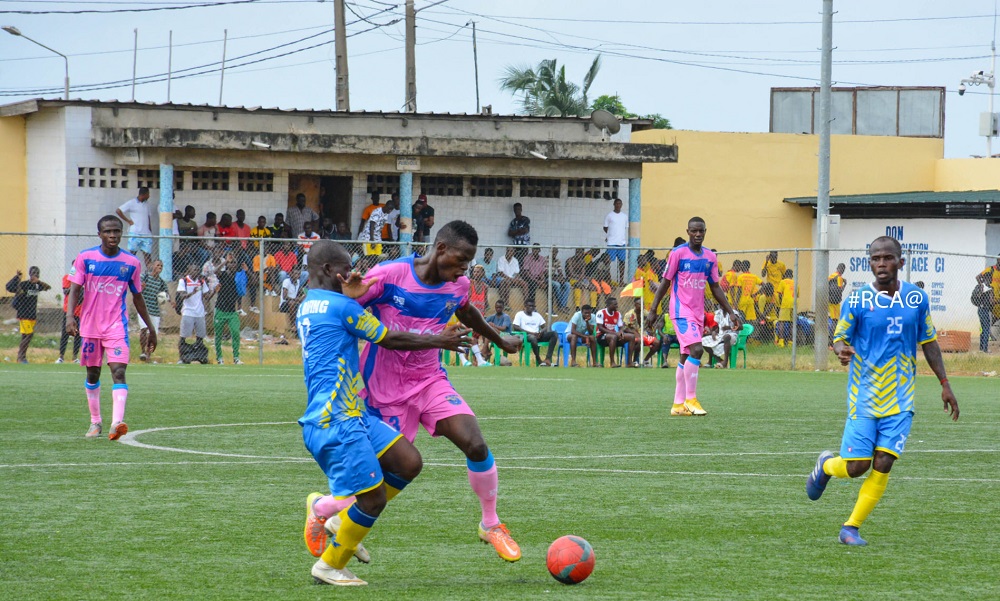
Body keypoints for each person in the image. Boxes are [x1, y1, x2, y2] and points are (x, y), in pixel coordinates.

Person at [337, 220, 523, 562]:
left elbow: (466, 312)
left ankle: (491, 523)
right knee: (386, 473)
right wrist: (351, 292)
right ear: (441, 249)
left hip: (429, 380)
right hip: (385, 387)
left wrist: (500, 340)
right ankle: (326, 510)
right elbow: (348, 308)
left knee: (476, 444)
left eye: (467, 266)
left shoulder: (458, 285)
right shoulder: (390, 274)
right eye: (459, 262)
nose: (462, 272)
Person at [297, 239, 472, 586]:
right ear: (329, 271)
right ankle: (330, 565)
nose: (353, 276)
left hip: (351, 413)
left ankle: (329, 514)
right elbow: (389, 338)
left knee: (408, 462)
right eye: (346, 270)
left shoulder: (311, 303)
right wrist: (440, 340)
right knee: (373, 498)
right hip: (336, 421)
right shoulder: (339, 307)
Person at [805, 236, 959, 547]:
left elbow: (928, 342)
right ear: (869, 263)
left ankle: (851, 527)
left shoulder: (916, 299)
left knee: (884, 462)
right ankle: (826, 466)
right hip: (864, 395)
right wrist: (840, 349)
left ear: (901, 262)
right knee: (857, 467)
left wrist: (944, 383)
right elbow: (839, 336)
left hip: (902, 398)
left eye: (888, 258)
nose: (881, 263)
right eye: (875, 258)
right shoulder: (858, 300)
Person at [66, 215, 156, 440]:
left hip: (117, 326)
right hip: (89, 326)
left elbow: (138, 297)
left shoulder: (131, 263)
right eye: (108, 231)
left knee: (119, 371)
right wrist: (70, 318)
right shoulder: (86, 258)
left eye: (117, 231)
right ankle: (95, 422)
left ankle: (116, 424)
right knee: (93, 374)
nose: (113, 235)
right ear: (100, 234)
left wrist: (151, 327)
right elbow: (75, 290)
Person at [648, 216, 739, 416]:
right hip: (681, 311)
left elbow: (715, 287)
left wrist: (730, 312)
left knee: (686, 355)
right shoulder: (678, 254)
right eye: (694, 231)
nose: (698, 234)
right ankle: (691, 398)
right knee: (697, 350)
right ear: (688, 232)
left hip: (697, 313)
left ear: (705, 231)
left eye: (701, 231)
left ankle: (678, 405)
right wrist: (653, 309)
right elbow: (665, 282)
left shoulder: (710, 257)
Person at [7, 267, 52, 364]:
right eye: (33, 273)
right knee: (29, 335)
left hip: (32, 315)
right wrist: (17, 277)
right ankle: (20, 357)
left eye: (37, 273)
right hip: (23, 314)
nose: (35, 275)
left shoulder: (37, 286)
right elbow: (9, 287)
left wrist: (38, 282)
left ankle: (22, 357)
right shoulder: (24, 285)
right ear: (30, 274)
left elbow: (48, 287)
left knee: (25, 336)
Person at [138, 259, 174, 362]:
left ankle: (148, 355)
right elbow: (137, 290)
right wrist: (141, 288)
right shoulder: (144, 277)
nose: (160, 267)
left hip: (154, 311)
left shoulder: (161, 282)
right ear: (152, 266)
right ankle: (143, 352)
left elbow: (166, 293)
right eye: (158, 265)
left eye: (161, 266)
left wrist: (171, 301)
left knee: (152, 333)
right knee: (143, 329)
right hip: (143, 309)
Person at [177, 262, 215, 359]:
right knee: (184, 337)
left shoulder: (201, 282)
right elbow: (182, 296)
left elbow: (207, 297)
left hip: (199, 313)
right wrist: (193, 292)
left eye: (198, 270)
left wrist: (215, 291)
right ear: (189, 271)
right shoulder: (184, 281)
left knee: (200, 337)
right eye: (194, 270)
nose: (197, 272)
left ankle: (199, 356)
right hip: (188, 312)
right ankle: (182, 357)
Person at [214, 250, 243, 365]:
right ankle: (219, 358)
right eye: (231, 263)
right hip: (220, 310)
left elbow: (253, 281)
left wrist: (246, 271)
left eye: (234, 263)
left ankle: (236, 357)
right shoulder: (224, 275)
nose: (232, 264)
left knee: (235, 333)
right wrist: (225, 261)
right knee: (218, 335)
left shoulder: (238, 278)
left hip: (232, 312)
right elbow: (215, 272)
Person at [513, 299, 558, 366]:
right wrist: (531, 333)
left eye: (533, 306)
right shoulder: (520, 314)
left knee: (554, 334)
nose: (531, 307)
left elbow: (544, 327)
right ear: (525, 306)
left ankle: (548, 358)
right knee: (533, 337)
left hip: (538, 335)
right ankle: (538, 359)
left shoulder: (537, 315)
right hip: (527, 336)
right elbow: (515, 326)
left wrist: (541, 332)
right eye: (529, 306)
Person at [115, 187, 152, 265]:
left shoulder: (147, 204)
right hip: (135, 233)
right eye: (148, 194)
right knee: (132, 255)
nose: (149, 196)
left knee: (148, 255)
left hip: (146, 234)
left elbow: (148, 217)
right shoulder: (132, 203)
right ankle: (129, 271)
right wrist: (128, 221)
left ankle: (149, 275)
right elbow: (118, 211)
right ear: (144, 194)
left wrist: (150, 230)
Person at [596, 297, 633, 368]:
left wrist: (621, 332)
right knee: (613, 337)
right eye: (615, 304)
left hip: (614, 336)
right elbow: (600, 328)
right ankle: (612, 362)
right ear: (609, 305)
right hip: (601, 337)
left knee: (631, 337)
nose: (617, 306)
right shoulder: (601, 313)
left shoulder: (618, 314)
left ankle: (629, 362)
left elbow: (620, 326)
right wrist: (615, 333)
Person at [624, 296, 661, 366]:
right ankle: (635, 360)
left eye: (643, 304)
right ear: (635, 305)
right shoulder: (629, 314)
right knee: (640, 341)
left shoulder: (645, 312)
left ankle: (645, 360)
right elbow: (625, 328)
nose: (642, 306)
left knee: (657, 342)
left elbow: (652, 320)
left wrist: (651, 325)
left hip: (644, 334)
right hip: (634, 336)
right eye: (640, 304)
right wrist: (634, 333)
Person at [57, 272, 83, 364]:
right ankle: (61, 356)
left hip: (80, 312)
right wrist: (75, 285)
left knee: (78, 334)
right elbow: (65, 291)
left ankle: (75, 356)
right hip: (68, 311)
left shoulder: (84, 277)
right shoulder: (67, 278)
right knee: (65, 334)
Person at [603, 197, 628, 284]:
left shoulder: (624, 216)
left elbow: (624, 227)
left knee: (622, 262)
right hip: (611, 243)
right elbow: (605, 227)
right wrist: (609, 235)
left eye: (619, 204)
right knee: (608, 261)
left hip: (621, 243)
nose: (618, 205)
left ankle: (621, 280)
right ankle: (608, 279)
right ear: (614, 204)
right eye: (616, 203)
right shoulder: (609, 215)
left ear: (621, 205)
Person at [972, 272, 995, 352]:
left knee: (983, 328)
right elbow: (991, 301)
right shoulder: (990, 288)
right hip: (985, 309)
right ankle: (985, 349)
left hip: (980, 309)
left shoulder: (981, 287)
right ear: (989, 279)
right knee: (986, 329)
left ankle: (981, 348)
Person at [521, 244, 548, 310]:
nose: (535, 250)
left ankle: (549, 308)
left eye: (537, 249)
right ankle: (532, 306)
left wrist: (542, 280)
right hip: (529, 277)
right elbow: (526, 272)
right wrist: (537, 281)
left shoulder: (542, 259)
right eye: (534, 249)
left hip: (538, 277)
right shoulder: (527, 258)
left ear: (539, 250)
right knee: (532, 285)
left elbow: (542, 272)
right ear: (532, 249)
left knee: (550, 286)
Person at [281, 265, 305, 333]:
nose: (297, 275)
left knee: (302, 303)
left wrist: (303, 296)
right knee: (292, 303)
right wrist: (297, 299)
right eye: (295, 273)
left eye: (298, 274)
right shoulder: (286, 281)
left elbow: (299, 293)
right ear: (291, 274)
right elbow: (284, 297)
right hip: (284, 304)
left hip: (293, 303)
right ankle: (293, 325)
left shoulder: (298, 282)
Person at [776, 269, 795, 347]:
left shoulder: (783, 282)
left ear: (785, 275)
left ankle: (781, 341)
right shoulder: (795, 282)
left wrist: (781, 303)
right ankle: (790, 342)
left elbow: (779, 294)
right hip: (794, 304)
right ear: (792, 276)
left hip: (785, 303)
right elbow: (797, 295)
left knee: (782, 322)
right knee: (792, 323)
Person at [828, 263, 847, 340]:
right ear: (843, 270)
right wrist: (845, 283)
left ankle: (831, 340)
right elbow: (840, 291)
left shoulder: (831, 276)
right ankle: (832, 340)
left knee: (833, 319)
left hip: (829, 300)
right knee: (835, 320)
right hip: (835, 302)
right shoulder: (839, 278)